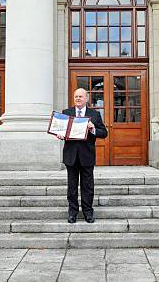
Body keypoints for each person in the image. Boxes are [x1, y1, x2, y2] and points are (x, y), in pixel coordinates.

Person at [56, 88, 108, 223]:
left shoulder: (94, 114)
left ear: (86, 98)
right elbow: (61, 131)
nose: (78, 99)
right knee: (72, 187)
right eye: (76, 97)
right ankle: (72, 212)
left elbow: (104, 133)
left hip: (87, 156)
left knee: (88, 186)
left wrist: (93, 129)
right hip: (71, 156)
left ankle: (88, 212)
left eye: (80, 96)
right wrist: (60, 134)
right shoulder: (66, 113)